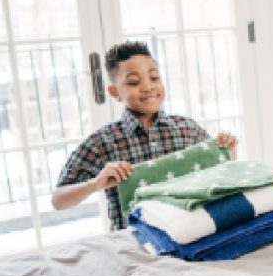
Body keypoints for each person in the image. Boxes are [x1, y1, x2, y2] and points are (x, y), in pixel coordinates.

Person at [51, 40, 238, 230]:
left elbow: (222, 174)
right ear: (115, 92)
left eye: (154, 78)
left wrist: (228, 151)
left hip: (190, 232)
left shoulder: (188, 130)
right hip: (134, 243)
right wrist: (95, 183)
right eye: (134, 82)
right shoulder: (101, 142)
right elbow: (58, 200)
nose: (148, 87)